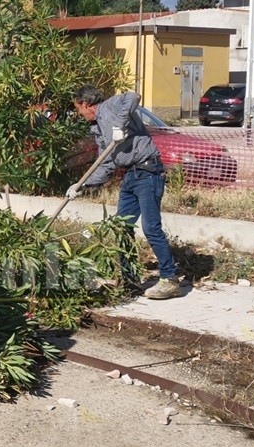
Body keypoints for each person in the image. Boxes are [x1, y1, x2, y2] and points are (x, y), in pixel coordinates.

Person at [67, 85, 181, 300]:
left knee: (151, 227)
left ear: (85, 103)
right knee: (121, 227)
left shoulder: (111, 106)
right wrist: (81, 186)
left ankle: (170, 279)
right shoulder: (97, 128)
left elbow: (133, 96)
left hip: (148, 172)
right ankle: (130, 279)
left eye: (78, 108)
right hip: (130, 176)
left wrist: (119, 126)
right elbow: (106, 164)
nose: (79, 114)